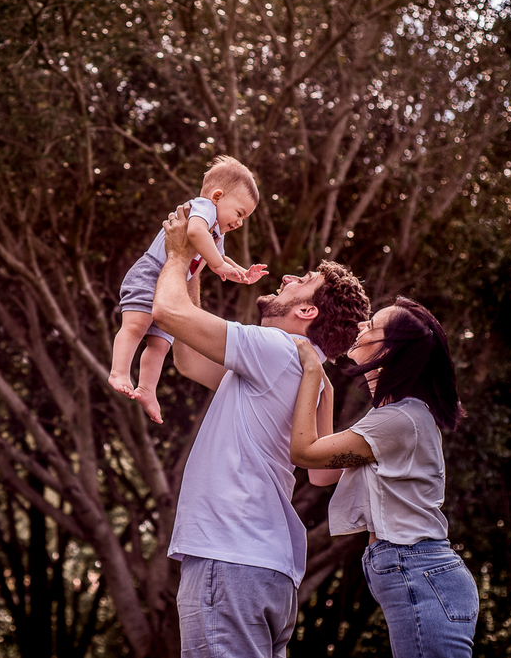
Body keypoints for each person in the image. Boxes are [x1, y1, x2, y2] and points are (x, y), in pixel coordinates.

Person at [152, 202, 370, 658]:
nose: (288, 278)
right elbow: (188, 357)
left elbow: (168, 313)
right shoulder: (295, 368)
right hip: (265, 569)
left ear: (307, 310)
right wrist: (195, 265)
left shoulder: (275, 347)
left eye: (302, 280)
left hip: (229, 559)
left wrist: (174, 255)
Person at [290, 298, 478, 658]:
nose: (361, 327)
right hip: (422, 573)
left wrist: (311, 373)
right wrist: (324, 391)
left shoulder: (399, 420)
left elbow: (303, 453)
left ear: (389, 349)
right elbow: (321, 474)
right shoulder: (394, 416)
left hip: (420, 572)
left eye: (371, 325)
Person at [110, 155, 268, 424]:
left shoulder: (217, 230)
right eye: (239, 213)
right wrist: (219, 265)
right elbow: (195, 234)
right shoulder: (203, 208)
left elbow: (218, 256)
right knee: (135, 327)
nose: (240, 222)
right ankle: (119, 371)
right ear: (218, 196)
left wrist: (239, 272)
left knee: (159, 345)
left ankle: (147, 388)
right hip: (152, 273)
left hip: (173, 285)